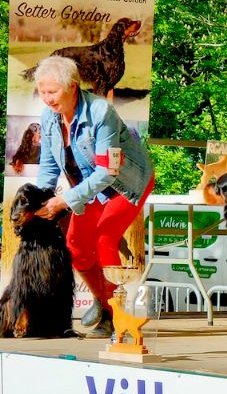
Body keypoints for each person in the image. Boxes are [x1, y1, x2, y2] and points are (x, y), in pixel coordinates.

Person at [33, 56, 154, 338]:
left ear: (72, 87)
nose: (47, 99)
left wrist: (65, 200)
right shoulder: (49, 117)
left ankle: (121, 318)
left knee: (104, 238)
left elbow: (107, 173)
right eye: (42, 91)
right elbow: (49, 167)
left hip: (125, 183)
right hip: (89, 186)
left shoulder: (101, 113)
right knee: (75, 245)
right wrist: (41, 199)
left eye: (53, 92)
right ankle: (107, 304)